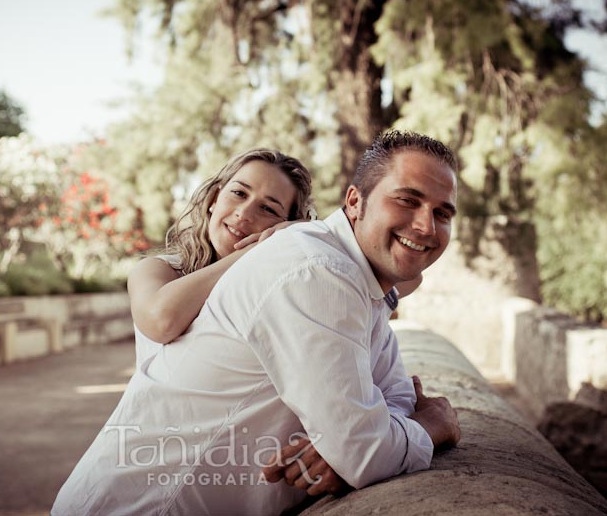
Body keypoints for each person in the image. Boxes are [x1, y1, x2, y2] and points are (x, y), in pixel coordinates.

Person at [51, 131, 460, 515]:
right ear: (353, 202)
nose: (426, 225)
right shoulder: (315, 271)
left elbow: (394, 396)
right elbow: (366, 450)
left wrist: (358, 445)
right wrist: (429, 426)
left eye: (442, 213)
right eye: (407, 200)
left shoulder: (357, 284)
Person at [128, 148, 316, 369]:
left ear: (283, 225)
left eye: (267, 208)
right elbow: (161, 323)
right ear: (215, 199)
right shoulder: (157, 269)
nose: (244, 213)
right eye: (239, 193)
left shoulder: (281, 290)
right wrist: (251, 252)